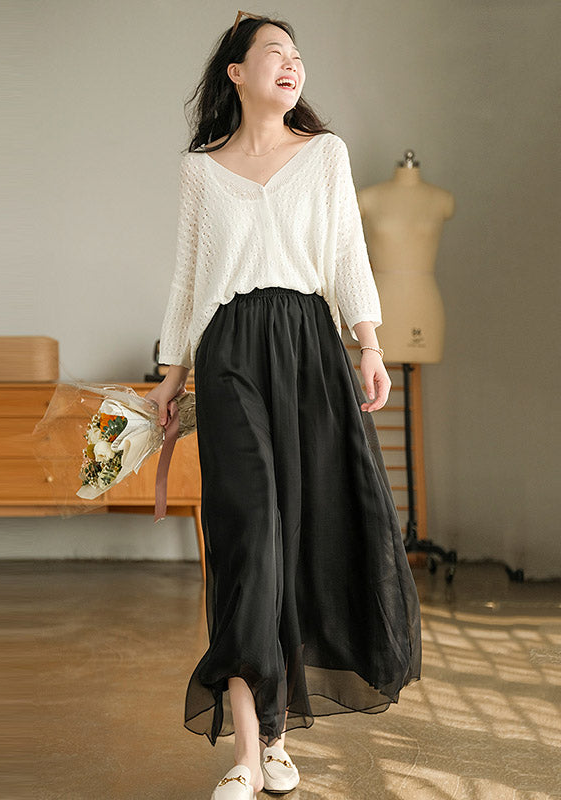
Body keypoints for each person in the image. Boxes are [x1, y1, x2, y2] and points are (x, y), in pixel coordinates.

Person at [145, 11, 422, 800]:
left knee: (300, 536)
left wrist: (369, 344)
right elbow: (186, 277)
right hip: (230, 352)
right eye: (274, 52)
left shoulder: (325, 155)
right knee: (249, 538)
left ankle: (274, 735)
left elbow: (346, 252)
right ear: (237, 72)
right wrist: (170, 374)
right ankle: (245, 752)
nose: (291, 64)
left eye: (297, 55)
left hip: (309, 347)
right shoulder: (202, 171)